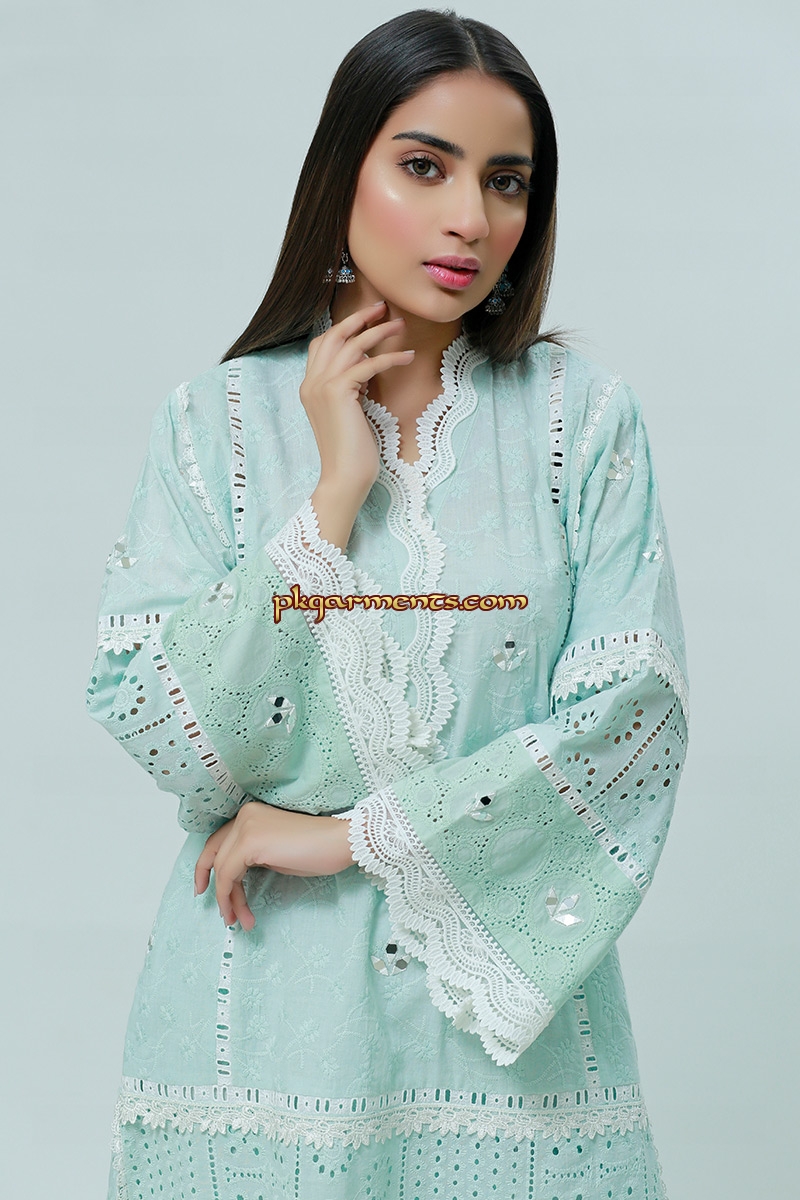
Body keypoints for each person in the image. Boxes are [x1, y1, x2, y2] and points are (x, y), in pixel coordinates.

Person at [87, 9, 688, 1198]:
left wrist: (342, 837)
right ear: (340, 174)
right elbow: (165, 730)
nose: (471, 219)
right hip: (263, 1020)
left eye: (505, 181)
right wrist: (328, 503)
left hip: (507, 1052)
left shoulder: (580, 424)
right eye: (425, 166)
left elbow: (631, 721)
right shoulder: (213, 426)